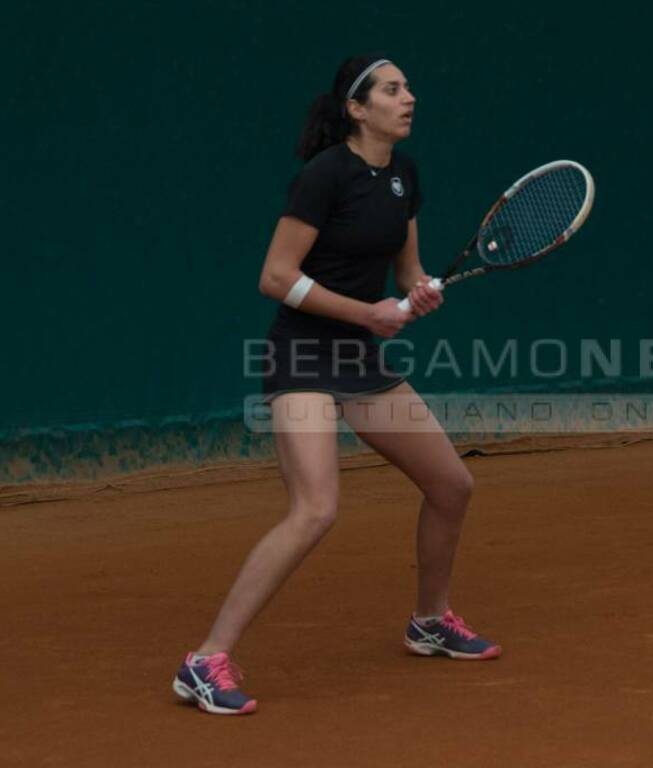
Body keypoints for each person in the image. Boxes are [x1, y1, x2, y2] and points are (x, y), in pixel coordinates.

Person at [171, 55, 501, 717]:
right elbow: (275, 276)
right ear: (356, 108)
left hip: (359, 361)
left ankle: (429, 621)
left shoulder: (405, 177)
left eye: (408, 86)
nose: (409, 97)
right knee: (316, 508)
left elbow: (406, 270)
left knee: (451, 484)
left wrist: (417, 293)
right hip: (302, 357)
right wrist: (367, 314)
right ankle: (205, 660)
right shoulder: (324, 177)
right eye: (392, 89)